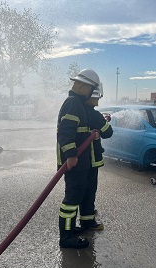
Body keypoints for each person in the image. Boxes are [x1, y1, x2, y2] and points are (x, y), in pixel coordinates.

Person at [57, 68, 100, 249]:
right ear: (83, 86)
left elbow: (79, 132)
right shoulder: (73, 103)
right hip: (74, 162)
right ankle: (66, 237)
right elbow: (65, 131)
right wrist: (71, 155)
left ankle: (71, 229)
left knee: (78, 195)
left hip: (80, 162)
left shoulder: (78, 104)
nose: (92, 93)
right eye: (91, 89)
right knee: (72, 199)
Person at [74, 86, 113, 233]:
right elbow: (108, 132)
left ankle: (80, 222)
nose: (98, 101)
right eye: (97, 98)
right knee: (89, 192)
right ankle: (88, 222)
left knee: (79, 192)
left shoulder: (79, 111)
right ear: (91, 97)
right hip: (91, 161)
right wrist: (102, 123)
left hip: (78, 161)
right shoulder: (94, 115)